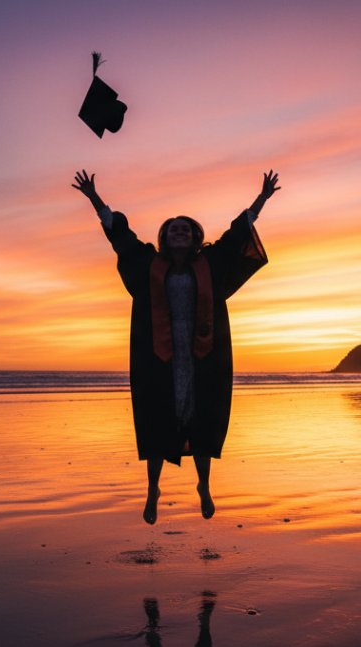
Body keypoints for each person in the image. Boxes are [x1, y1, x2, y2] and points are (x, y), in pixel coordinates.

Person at [72, 169, 279, 524]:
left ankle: (203, 486)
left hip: (203, 354)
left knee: (201, 419)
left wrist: (261, 200)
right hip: (159, 356)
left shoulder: (209, 264)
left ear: (195, 236)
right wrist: (95, 199)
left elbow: (235, 235)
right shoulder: (149, 263)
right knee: (157, 419)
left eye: (186, 228)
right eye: (173, 228)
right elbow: (120, 237)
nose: (179, 231)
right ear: (165, 237)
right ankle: (152, 489)